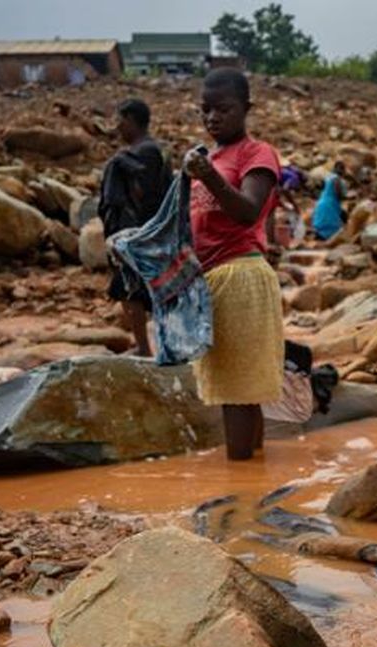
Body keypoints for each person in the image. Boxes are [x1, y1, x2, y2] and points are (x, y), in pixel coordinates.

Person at [181, 68, 284, 462]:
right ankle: (251, 475)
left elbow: (248, 211)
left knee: (237, 389)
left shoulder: (255, 153)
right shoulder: (210, 157)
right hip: (214, 277)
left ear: (246, 109)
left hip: (240, 273)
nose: (212, 118)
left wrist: (208, 176)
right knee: (239, 386)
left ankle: (240, 487)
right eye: (205, 110)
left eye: (222, 109)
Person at [99, 98, 171, 357]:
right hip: (151, 232)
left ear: (131, 120)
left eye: (120, 120)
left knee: (132, 289)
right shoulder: (154, 151)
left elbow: (141, 194)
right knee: (141, 290)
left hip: (138, 233)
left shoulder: (143, 153)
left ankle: (144, 348)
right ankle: (151, 346)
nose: (117, 127)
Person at [312, 160, 348, 240]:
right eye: (340, 168)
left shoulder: (329, 177)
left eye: (342, 169)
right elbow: (338, 192)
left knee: (324, 220)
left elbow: (323, 188)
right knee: (331, 221)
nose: (341, 171)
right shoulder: (336, 179)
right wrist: (345, 197)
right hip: (330, 203)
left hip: (323, 201)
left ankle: (319, 235)